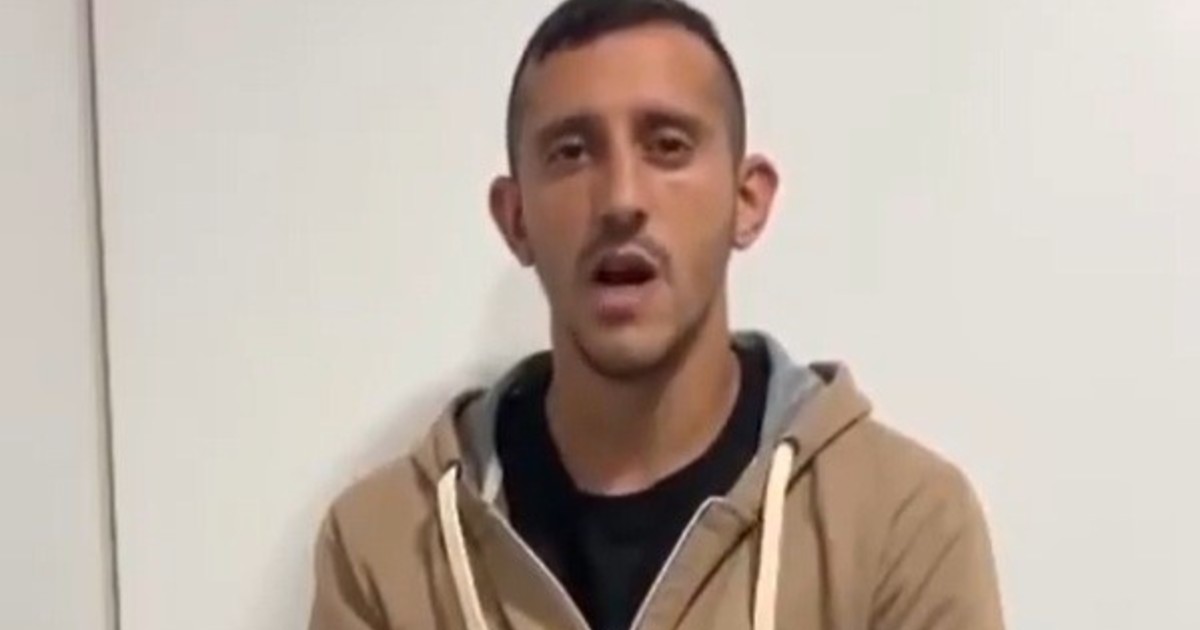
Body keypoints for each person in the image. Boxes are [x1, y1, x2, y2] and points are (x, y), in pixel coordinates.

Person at [308, 0, 1005, 628]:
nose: (621, 199)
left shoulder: (901, 525)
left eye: (667, 146)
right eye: (571, 152)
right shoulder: (383, 549)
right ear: (516, 219)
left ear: (747, 200)